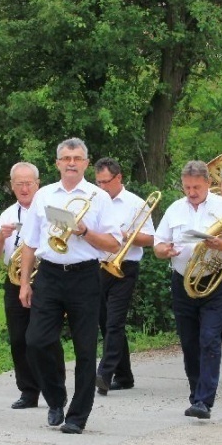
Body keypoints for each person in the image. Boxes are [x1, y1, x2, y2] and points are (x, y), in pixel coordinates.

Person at [17, 138, 122, 435]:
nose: (72, 162)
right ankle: (55, 397)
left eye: (77, 158)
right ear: (57, 163)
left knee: (85, 350)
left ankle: (77, 416)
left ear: (86, 163)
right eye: (66, 158)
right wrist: (25, 281)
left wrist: (85, 230)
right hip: (49, 273)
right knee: (36, 341)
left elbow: (113, 244)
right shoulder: (44, 195)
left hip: (85, 275)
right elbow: (29, 242)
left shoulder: (98, 197)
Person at [153, 161, 222, 419]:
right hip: (182, 280)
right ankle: (195, 394)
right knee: (189, 342)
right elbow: (158, 246)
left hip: (214, 280)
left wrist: (220, 244)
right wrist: (167, 250)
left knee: (209, 339)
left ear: (208, 183)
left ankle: (204, 401)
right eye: (187, 187)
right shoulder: (175, 209)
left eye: (196, 187)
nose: (192, 192)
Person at [0, 163, 63, 409]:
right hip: (14, 279)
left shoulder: (50, 211)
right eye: (19, 183)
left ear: (38, 184)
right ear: (11, 186)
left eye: (29, 182)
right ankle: (28, 392)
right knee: (19, 337)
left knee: (45, 337)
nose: (24, 187)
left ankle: (55, 388)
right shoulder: (8, 214)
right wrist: (0, 237)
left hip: (45, 280)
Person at [92, 157, 156, 395]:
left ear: (118, 178)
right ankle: (125, 376)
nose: (101, 187)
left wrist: (126, 235)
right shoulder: (95, 201)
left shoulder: (135, 204)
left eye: (105, 182)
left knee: (114, 322)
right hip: (98, 265)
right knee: (105, 323)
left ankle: (103, 374)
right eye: (98, 182)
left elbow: (150, 239)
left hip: (124, 267)